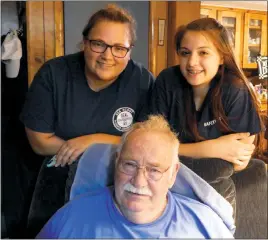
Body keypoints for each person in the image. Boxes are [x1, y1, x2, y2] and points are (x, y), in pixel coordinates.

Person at [20, 4, 154, 236]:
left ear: (129, 50)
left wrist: (92, 141)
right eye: (99, 44)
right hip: (56, 176)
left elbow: (147, 141)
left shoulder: (142, 81)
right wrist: (110, 144)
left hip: (119, 180)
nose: (108, 55)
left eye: (119, 48)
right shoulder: (53, 74)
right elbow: (39, 142)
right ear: (85, 43)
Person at [36, 115, 234, 238]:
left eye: (154, 170)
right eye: (130, 165)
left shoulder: (205, 224)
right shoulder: (71, 217)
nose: (138, 181)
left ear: (173, 174)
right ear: (116, 163)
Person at [142, 18, 264, 211]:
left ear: (222, 57)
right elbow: (149, 145)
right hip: (165, 181)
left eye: (203, 53)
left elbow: (240, 161)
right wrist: (214, 148)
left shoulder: (235, 90)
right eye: (185, 53)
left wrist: (175, 149)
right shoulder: (168, 81)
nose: (191, 62)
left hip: (215, 187)